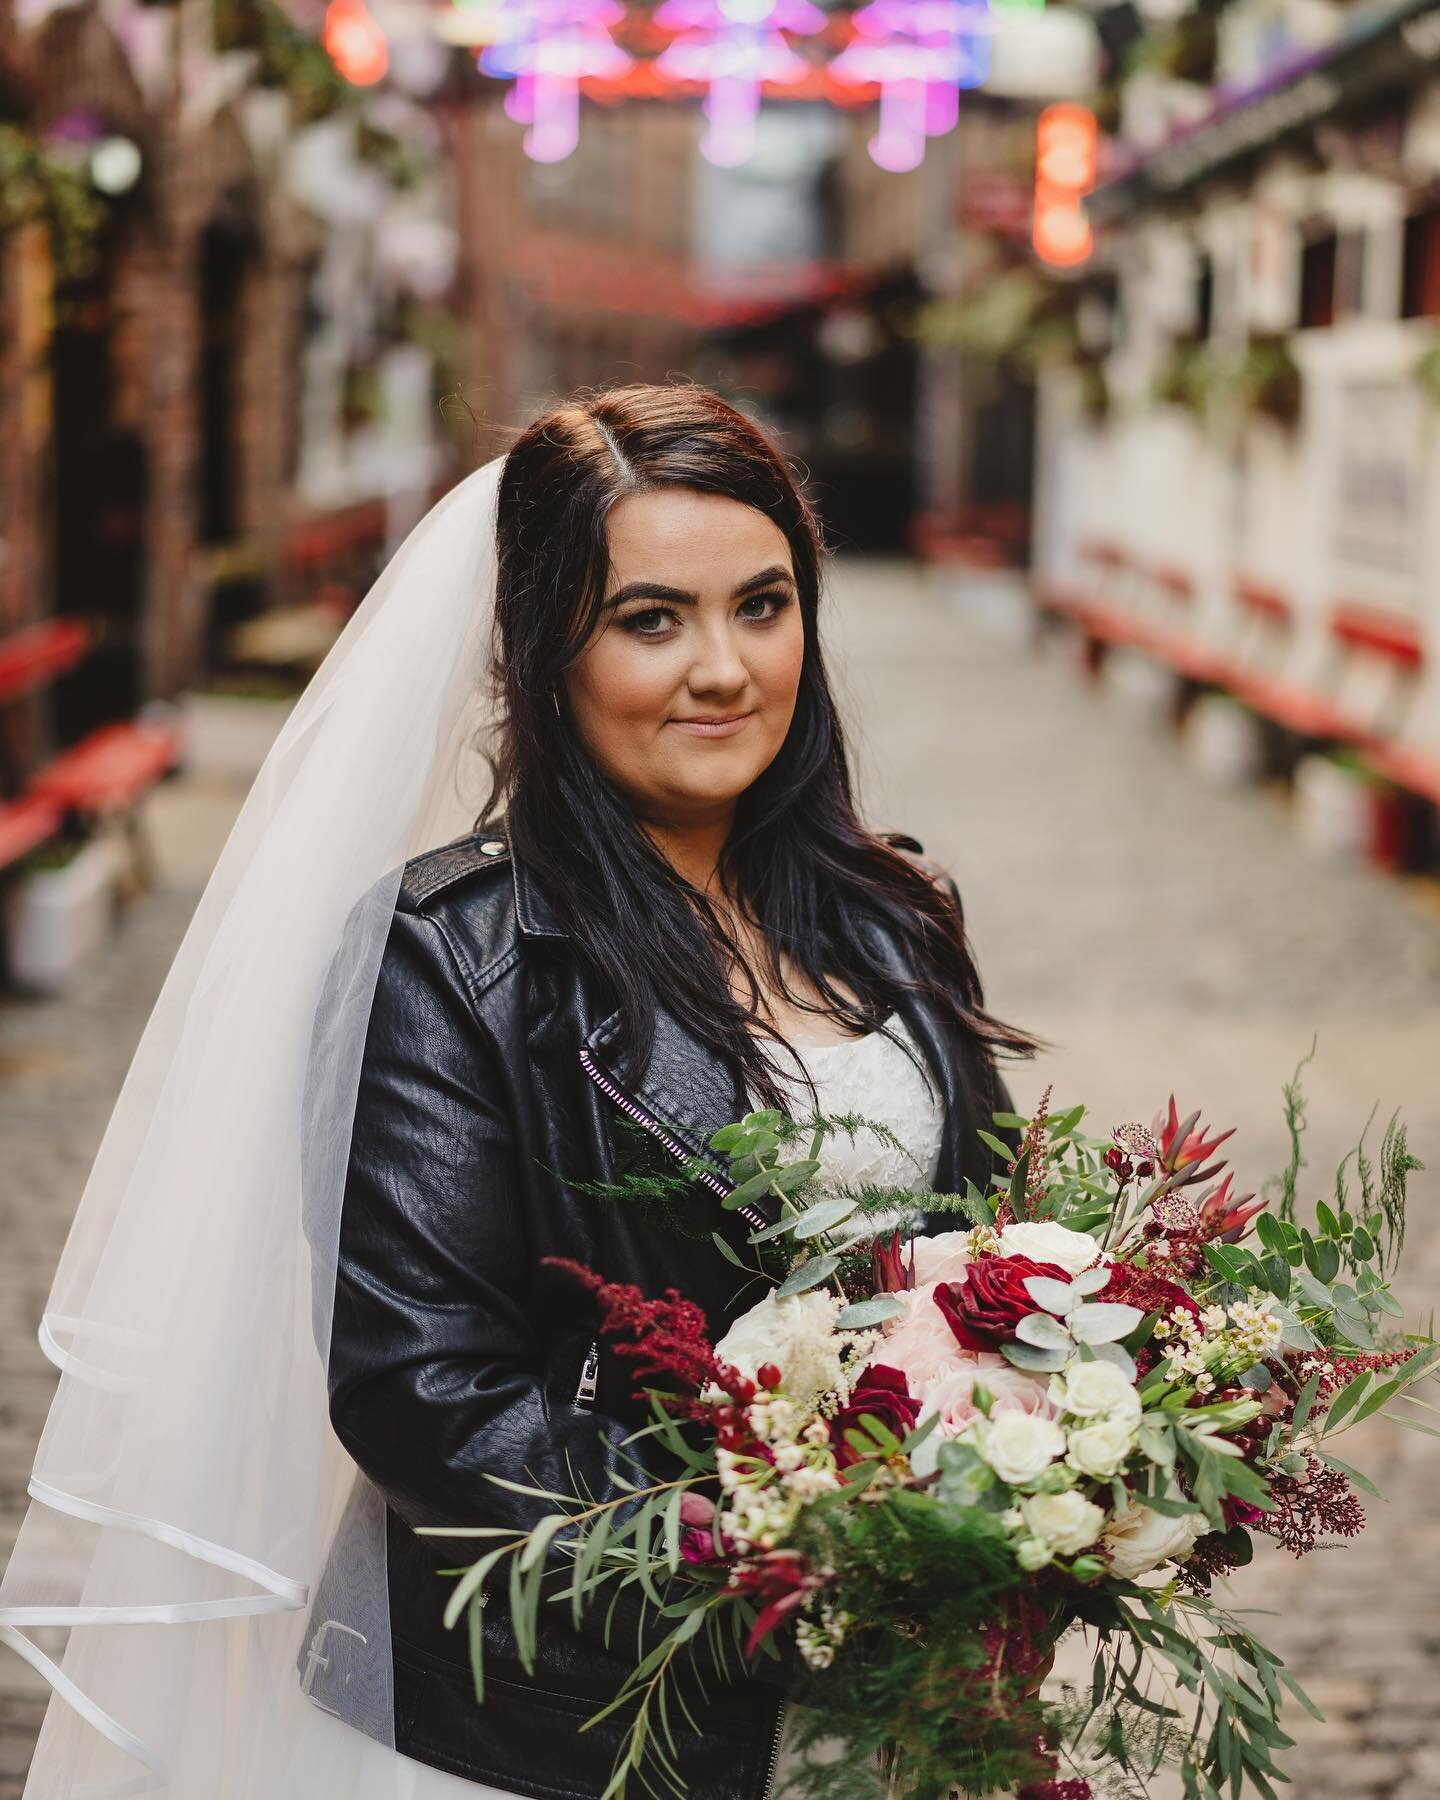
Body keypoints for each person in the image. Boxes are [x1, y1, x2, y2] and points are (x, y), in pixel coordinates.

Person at [0, 383, 1034, 1800]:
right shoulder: (450, 957)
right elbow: (428, 1387)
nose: (725, 669)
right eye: (650, 618)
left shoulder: (894, 912)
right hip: (574, 1721)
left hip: (899, 1701)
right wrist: (764, 1561)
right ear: (544, 651)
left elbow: (987, 1257)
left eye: (764, 604)